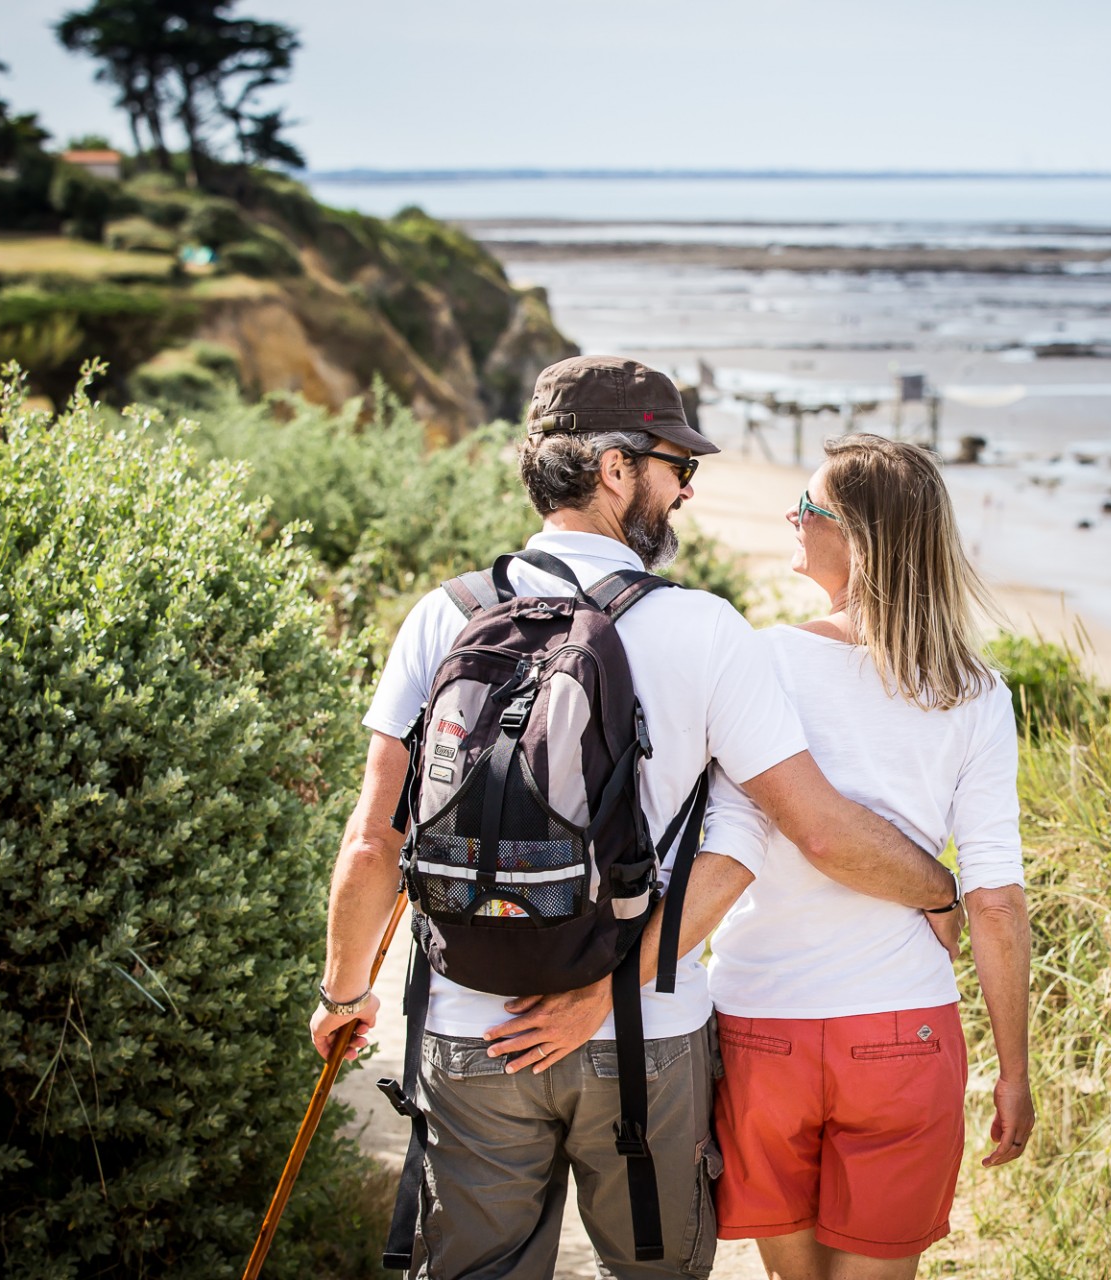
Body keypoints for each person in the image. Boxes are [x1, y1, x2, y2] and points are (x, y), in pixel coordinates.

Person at [308, 357, 957, 1280]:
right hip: (644, 1040)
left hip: (466, 1022)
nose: (687, 488)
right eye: (673, 465)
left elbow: (376, 836)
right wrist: (937, 890)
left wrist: (343, 994)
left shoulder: (442, 616)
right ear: (615, 470)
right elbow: (772, 835)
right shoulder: (705, 630)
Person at [648, 436, 1035, 1276]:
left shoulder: (761, 662)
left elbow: (725, 838)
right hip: (904, 1030)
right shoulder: (975, 693)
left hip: (763, 1029)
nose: (792, 516)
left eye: (810, 508)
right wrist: (1015, 1071)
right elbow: (996, 901)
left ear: (857, 540)